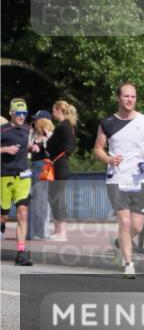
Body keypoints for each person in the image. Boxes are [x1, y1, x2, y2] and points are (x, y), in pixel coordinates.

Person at [94, 83, 144, 278]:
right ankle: (129, 264)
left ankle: (120, 243)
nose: (130, 99)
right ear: (118, 98)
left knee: (138, 226)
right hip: (116, 178)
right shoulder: (107, 123)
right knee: (124, 221)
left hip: (138, 179)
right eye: (126, 96)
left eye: (133, 97)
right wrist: (108, 158)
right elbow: (98, 148)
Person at [1, 99, 35, 265]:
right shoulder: (3, 130)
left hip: (23, 177)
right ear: (11, 113)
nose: (21, 117)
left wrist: (32, 148)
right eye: (18, 113)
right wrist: (4, 149)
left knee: (23, 212)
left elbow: (26, 145)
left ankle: (21, 252)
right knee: (3, 215)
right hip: (4, 177)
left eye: (24, 114)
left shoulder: (28, 130)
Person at [46, 101, 77, 241]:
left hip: (58, 165)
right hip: (62, 164)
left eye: (53, 109)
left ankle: (61, 232)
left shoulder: (62, 127)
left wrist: (48, 138)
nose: (52, 112)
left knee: (57, 198)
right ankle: (58, 231)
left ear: (58, 109)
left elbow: (51, 146)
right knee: (55, 197)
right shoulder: (70, 126)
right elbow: (70, 147)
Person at [28, 111, 54, 240]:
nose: (35, 122)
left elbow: (53, 150)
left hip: (44, 168)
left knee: (42, 201)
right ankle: (32, 232)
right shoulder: (33, 133)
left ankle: (43, 232)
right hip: (33, 167)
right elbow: (26, 148)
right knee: (32, 200)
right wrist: (30, 147)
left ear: (43, 121)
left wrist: (46, 136)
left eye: (37, 120)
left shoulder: (49, 135)